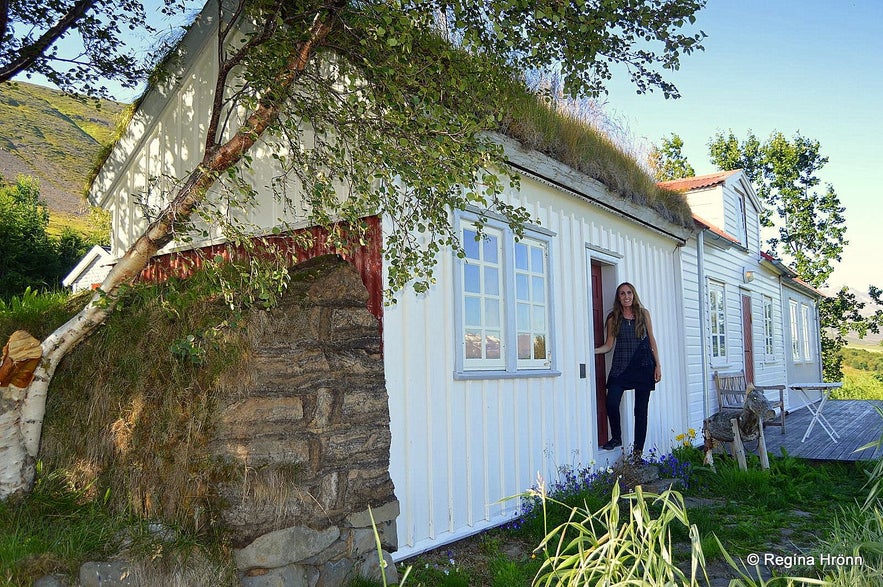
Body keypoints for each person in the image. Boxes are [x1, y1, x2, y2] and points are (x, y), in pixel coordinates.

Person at [594, 282, 661, 456]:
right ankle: (616, 437)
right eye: (622, 294)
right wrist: (591, 351)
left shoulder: (643, 314)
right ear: (618, 297)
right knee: (611, 402)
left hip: (644, 365)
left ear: (634, 294)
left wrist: (658, 365)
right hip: (621, 365)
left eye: (629, 293)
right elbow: (609, 345)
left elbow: (652, 340)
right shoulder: (613, 318)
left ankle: (638, 453)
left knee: (640, 411)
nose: (626, 296)